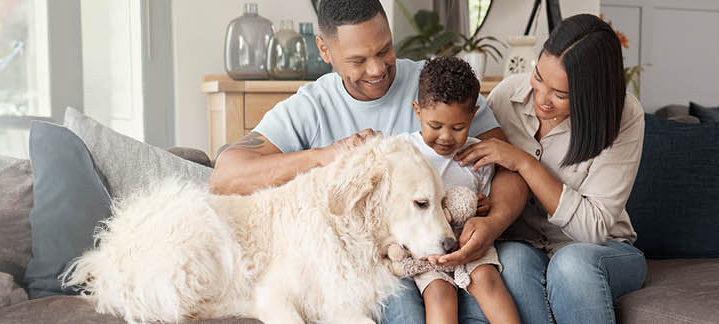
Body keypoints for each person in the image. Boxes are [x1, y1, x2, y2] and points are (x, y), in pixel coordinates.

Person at [206, 0, 531, 322]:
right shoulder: (311, 106)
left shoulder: (437, 88)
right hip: (371, 266)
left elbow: (508, 168)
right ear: (324, 50)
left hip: (454, 243)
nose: (376, 69)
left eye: (383, 50)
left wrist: (493, 223)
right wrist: (324, 157)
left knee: (516, 267)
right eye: (358, 60)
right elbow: (226, 176)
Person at [453, 14, 648, 324]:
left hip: (601, 251)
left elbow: (592, 229)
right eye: (538, 77)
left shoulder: (623, 116)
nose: (541, 99)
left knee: (571, 264)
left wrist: (523, 162)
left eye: (560, 94)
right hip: (525, 244)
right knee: (511, 261)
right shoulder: (506, 97)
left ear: (591, 94)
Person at [394, 56, 519, 324]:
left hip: (470, 241)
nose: (446, 137)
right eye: (435, 126)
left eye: (458, 127)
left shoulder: (478, 155)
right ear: (418, 111)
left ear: (473, 115)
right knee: (439, 294)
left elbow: (486, 204)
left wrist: (485, 207)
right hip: (428, 247)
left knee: (487, 280)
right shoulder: (403, 152)